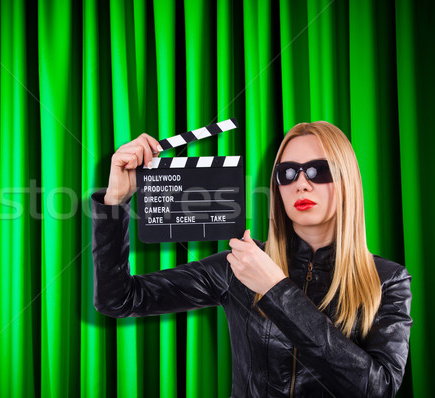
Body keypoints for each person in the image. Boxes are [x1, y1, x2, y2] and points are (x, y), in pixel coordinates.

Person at [91, 121, 412, 397]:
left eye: (318, 170)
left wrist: (276, 288)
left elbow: (378, 388)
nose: (301, 183)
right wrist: (114, 202)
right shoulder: (240, 265)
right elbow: (119, 299)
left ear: (346, 180)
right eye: (287, 173)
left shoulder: (388, 280)